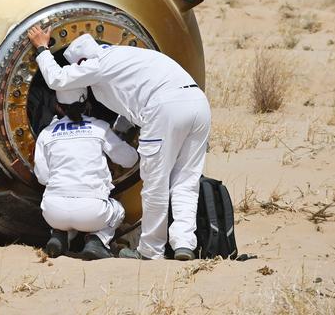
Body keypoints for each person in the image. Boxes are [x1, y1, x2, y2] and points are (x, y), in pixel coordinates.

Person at [27, 26, 212, 261]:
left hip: (164, 108)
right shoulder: (131, 56)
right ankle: (184, 243)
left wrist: (42, 49)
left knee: (155, 182)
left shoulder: (98, 64)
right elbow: (129, 103)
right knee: (186, 180)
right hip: (198, 103)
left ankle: (150, 250)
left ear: (82, 62)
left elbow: (57, 79)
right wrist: (116, 135)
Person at [34, 87, 139, 260]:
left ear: (58, 107)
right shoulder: (100, 128)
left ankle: (59, 236)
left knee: (63, 209)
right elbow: (129, 160)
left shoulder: (46, 133)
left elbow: (43, 177)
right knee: (118, 210)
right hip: (92, 212)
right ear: (87, 104)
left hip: (53, 213)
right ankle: (97, 242)